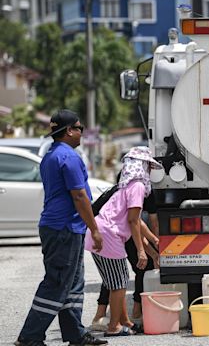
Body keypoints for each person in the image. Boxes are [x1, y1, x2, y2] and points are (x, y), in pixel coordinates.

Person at [15, 109, 107, 346]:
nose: (81, 133)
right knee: (57, 283)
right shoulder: (69, 157)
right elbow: (79, 196)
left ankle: (75, 333)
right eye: (80, 128)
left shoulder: (52, 154)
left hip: (65, 228)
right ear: (69, 131)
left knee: (74, 284)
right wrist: (94, 229)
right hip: (63, 228)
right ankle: (30, 337)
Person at [84, 146, 163, 337]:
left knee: (116, 282)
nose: (150, 171)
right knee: (119, 284)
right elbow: (133, 221)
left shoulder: (126, 185)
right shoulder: (138, 186)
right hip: (109, 236)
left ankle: (125, 321)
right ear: (142, 166)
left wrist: (153, 241)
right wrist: (142, 252)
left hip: (103, 233)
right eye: (148, 166)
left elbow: (136, 221)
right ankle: (113, 327)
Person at [90, 190, 160, 331]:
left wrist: (153, 249)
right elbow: (135, 224)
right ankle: (114, 324)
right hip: (107, 234)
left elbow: (138, 224)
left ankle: (124, 320)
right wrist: (146, 251)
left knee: (115, 277)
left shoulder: (125, 189)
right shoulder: (136, 190)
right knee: (116, 278)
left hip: (105, 231)